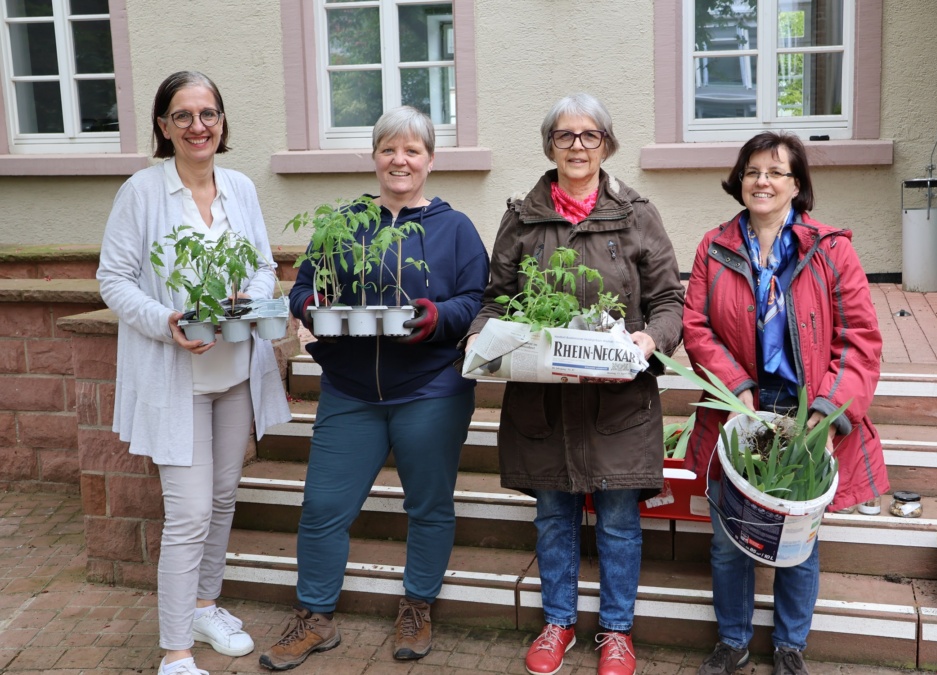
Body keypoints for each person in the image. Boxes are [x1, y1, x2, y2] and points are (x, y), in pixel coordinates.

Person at [259, 106, 489, 670]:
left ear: (430, 160)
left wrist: (439, 316)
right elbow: (303, 287)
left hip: (431, 389)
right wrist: (310, 306)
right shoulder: (344, 224)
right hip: (350, 390)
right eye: (389, 149)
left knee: (428, 505)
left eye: (412, 150)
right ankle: (315, 617)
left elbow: (477, 298)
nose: (399, 160)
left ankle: (417, 606)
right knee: (323, 507)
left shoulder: (455, 228)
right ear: (374, 157)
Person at [464, 93, 684, 675]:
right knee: (553, 515)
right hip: (546, 400)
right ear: (550, 146)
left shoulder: (637, 215)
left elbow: (669, 301)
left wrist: (650, 339)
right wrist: (481, 338)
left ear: (606, 144)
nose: (578, 146)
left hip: (619, 403)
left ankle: (617, 631)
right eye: (565, 136)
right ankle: (557, 622)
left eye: (590, 136)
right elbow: (498, 299)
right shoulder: (522, 218)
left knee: (619, 521)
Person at [97, 71, 291, 675]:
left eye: (208, 114)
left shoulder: (239, 187)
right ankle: (175, 653)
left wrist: (249, 296)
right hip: (177, 377)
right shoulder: (141, 193)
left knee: (224, 497)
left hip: (234, 373)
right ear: (163, 126)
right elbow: (113, 280)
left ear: (222, 121)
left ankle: (205, 607)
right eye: (182, 115)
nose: (197, 126)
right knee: (188, 514)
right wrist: (166, 321)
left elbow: (263, 265)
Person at [681, 131, 888, 675]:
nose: (762, 181)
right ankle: (733, 641)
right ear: (739, 181)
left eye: (776, 172)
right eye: (752, 171)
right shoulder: (714, 247)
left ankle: (790, 646)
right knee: (729, 537)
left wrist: (828, 411)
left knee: (798, 539)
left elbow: (859, 338)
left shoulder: (831, 249)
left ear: (797, 185)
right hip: (740, 406)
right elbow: (697, 328)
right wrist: (735, 388)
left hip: (806, 407)